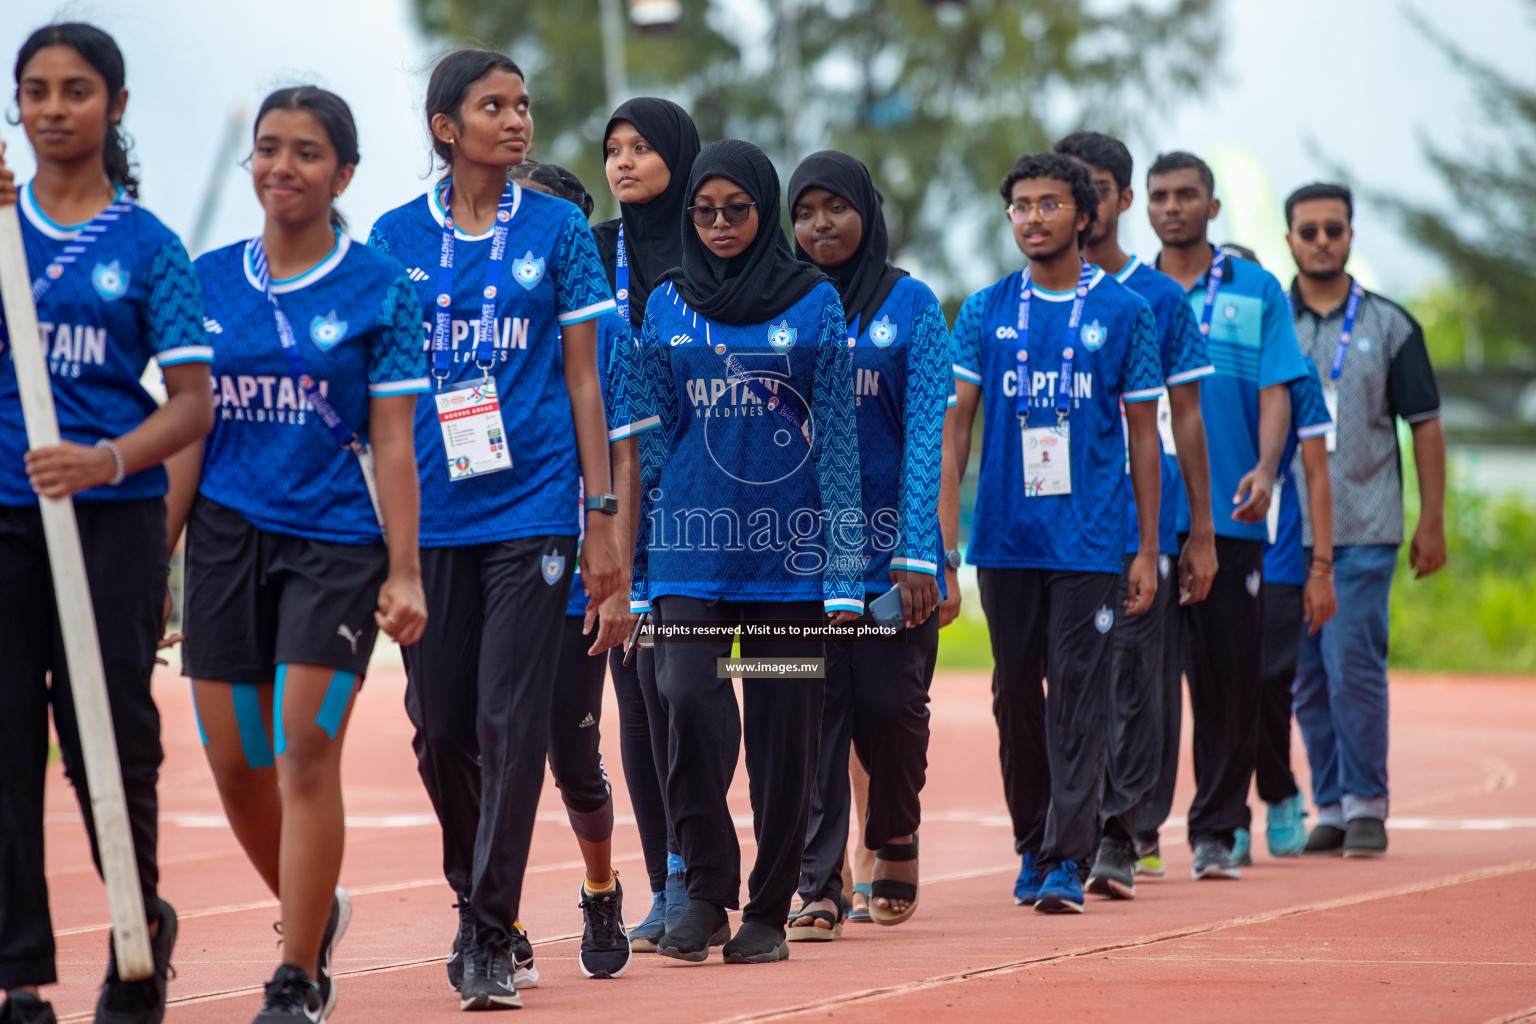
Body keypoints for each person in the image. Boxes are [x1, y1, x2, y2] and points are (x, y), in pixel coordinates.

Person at [366, 50, 621, 1011]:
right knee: (439, 729)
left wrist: (599, 518)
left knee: (509, 720)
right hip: (432, 513)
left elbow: (585, 380)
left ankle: (483, 933)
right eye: (493, 106)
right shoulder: (392, 238)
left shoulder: (559, 231)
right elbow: (379, 388)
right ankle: (487, 902)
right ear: (446, 126)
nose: (517, 121)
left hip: (536, 509)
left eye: (523, 106)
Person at [175, 86, 428, 1023]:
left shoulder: (380, 290)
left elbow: (394, 440)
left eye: (307, 152)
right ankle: (317, 915)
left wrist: (405, 569)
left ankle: (297, 977)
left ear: (344, 173)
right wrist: (155, 567)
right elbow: (189, 431)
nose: (283, 166)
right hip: (224, 539)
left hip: (336, 540)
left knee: (305, 747)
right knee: (233, 758)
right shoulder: (204, 280)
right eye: (268, 149)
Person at [0, 23, 213, 1024]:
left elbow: (191, 402)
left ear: (114, 105)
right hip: (4, 516)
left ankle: (139, 932)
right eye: (34, 90)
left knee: (106, 740)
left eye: (75, 90)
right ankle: (18, 974)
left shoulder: (146, 245)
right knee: (5, 740)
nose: (52, 107)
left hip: (110, 521)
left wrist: (106, 458)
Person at [618, 138, 863, 963]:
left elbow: (836, 443)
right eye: (706, 210)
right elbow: (651, 440)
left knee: (784, 733)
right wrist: (642, 566)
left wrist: (845, 567)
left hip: (789, 563)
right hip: (689, 550)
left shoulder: (816, 303)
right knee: (684, 700)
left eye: (738, 209)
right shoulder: (667, 305)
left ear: (763, 212)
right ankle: (707, 894)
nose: (720, 223)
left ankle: (766, 910)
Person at [950, 152, 1164, 915]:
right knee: (1014, 694)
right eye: (1021, 206)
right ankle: (1031, 841)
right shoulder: (983, 310)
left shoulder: (1125, 314)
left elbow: (1145, 436)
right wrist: (945, 540)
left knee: (1079, 693)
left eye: (1049, 204)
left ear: (1085, 216)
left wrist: (1145, 547)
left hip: (1091, 538)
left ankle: (1066, 860)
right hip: (1006, 536)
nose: (1033, 218)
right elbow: (956, 428)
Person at [785, 150, 953, 937]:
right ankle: (819, 880)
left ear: (866, 211)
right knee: (810, 710)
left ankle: (893, 830)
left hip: (894, 552)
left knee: (890, 705)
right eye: (805, 211)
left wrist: (921, 549)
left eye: (835, 207)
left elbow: (928, 432)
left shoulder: (913, 305)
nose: (820, 224)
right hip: (796, 554)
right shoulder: (778, 303)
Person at [1051, 132, 1217, 900]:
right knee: (1066, 684)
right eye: (1066, 188)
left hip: (1138, 524)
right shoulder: (1028, 296)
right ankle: (1062, 834)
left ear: (1119, 200)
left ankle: (1122, 834)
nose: (1081, 202)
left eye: (1097, 187)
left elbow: (1186, 419)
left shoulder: (1158, 299)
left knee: (1133, 681)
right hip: (1057, 527)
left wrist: (1198, 534)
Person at [1145, 150, 1311, 880]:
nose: (1173, 206)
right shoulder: (1128, 292)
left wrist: (1269, 470)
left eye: (1187, 195)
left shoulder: (1257, 289)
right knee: (1144, 686)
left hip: (1233, 516)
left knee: (1228, 681)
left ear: (1213, 208)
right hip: (1144, 518)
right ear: (1142, 207)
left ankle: (1218, 829)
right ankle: (1134, 830)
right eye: (1160, 196)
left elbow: (1278, 389)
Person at [1282, 182, 1445, 858]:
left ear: (1351, 235)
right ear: (1288, 236)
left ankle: (1368, 803)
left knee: (1352, 664)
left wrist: (1430, 520)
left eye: (1334, 229)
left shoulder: (1390, 325)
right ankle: (1333, 806)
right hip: (1287, 537)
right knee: (1304, 678)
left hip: (1366, 530)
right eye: (1309, 230)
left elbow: (1426, 427)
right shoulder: (1272, 324)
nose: (1322, 241)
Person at [507, 158, 637, 980]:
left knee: (568, 752)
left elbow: (623, 453)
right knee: (486, 749)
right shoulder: (470, 310)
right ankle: (495, 917)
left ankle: (600, 889)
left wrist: (614, 565)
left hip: (574, 566)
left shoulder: (608, 331)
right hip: (483, 551)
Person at [593, 97, 701, 950]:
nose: (623, 163)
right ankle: (667, 880)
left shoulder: (713, 249)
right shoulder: (591, 256)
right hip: (621, 506)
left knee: (702, 691)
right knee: (639, 699)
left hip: (705, 505)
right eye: (612, 149)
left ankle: (727, 872)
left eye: (641, 148)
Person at [1251, 364, 1336, 859]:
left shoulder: (1297, 375)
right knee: (1217, 687)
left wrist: (1320, 566)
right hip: (1212, 543)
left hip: (1280, 556)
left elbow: (1318, 472)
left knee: (1270, 679)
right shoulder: (1211, 358)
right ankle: (1227, 816)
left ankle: (1280, 792)